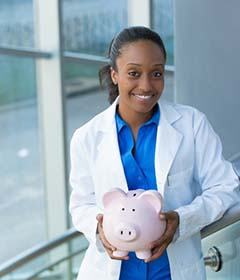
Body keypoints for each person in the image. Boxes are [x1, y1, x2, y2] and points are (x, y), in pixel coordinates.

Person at [69, 26, 239, 280]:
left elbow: (226, 187)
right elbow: (81, 203)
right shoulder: (87, 137)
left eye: (156, 73)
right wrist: (100, 229)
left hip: (172, 271)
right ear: (115, 75)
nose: (146, 85)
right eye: (134, 73)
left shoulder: (191, 124)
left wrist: (181, 220)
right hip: (108, 271)